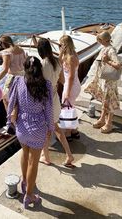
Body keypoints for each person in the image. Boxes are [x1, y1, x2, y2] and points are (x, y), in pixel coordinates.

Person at [6, 56, 54, 209]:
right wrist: (51, 129)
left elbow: (11, 103)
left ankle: (25, 183)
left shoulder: (18, 81)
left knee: (24, 153)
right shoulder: (46, 85)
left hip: (21, 126)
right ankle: (29, 196)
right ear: (40, 68)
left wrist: (9, 121)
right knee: (34, 161)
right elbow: (49, 110)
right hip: (38, 128)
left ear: (25, 68)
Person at [37, 38, 75, 167]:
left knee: (48, 129)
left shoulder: (41, 65)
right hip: (54, 100)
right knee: (53, 128)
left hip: (45, 102)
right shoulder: (57, 62)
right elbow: (63, 81)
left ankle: (49, 156)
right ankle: (47, 155)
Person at [84, 31, 122, 133]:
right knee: (105, 102)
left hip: (109, 82)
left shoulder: (111, 50)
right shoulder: (104, 48)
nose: (99, 41)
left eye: (100, 39)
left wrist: (107, 61)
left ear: (105, 40)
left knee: (109, 102)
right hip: (104, 80)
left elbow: (118, 65)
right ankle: (101, 119)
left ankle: (109, 123)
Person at [0, 35, 26, 110]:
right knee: (18, 101)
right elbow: (25, 64)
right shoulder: (21, 50)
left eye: (0, 44)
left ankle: (9, 119)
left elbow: (5, 70)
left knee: (5, 99)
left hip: (12, 79)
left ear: (3, 43)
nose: (1, 46)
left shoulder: (6, 52)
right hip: (22, 78)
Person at [59, 35, 81, 140]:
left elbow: (71, 76)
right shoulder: (71, 55)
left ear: (65, 45)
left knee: (67, 108)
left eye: (61, 44)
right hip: (73, 84)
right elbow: (59, 63)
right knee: (70, 107)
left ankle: (68, 133)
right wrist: (61, 53)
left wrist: (67, 91)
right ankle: (74, 130)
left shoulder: (71, 58)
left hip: (71, 85)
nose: (60, 46)